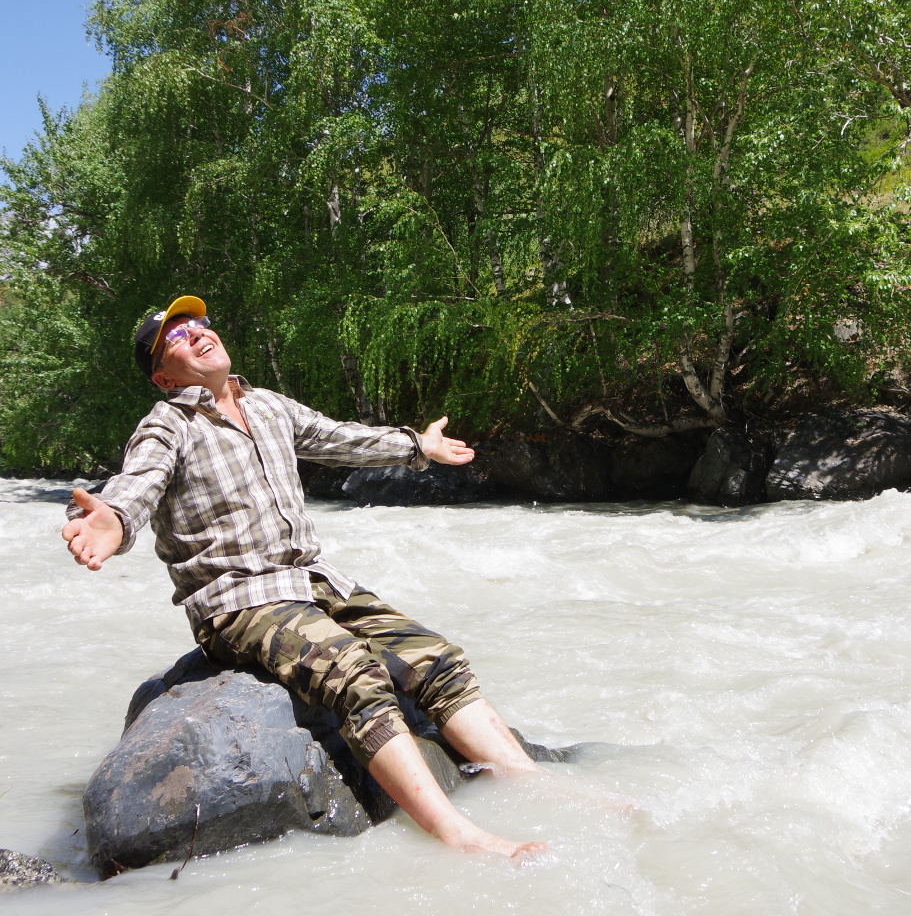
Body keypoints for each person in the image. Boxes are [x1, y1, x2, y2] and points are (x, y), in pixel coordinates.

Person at [62, 296, 548, 861]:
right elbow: (134, 488)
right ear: (163, 376)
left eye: (200, 323)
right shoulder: (167, 425)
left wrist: (419, 446)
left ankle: (525, 776)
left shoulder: (266, 406)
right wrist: (110, 523)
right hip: (236, 599)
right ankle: (457, 834)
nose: (197, 334)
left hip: (312, 580)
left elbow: (340, 437)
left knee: (435, 658)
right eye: (176, 335)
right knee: (354, 671)